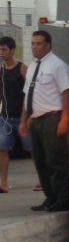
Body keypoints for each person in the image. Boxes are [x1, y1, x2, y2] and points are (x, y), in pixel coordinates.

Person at [19, 30, 69, 212]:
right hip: (36, 119)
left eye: (38, 44)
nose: (35, 47)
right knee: (40, 161)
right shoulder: (33, 66)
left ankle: (63, 199)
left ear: (48, 45)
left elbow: (66, 92)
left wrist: (64, 119)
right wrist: (24, 120)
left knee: (56, 160)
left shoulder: (57, 65)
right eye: (33, 44)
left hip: (52, 117)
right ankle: (50, 198)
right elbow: (27, 95)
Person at [0, 36, 30, 193]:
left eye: (4, 49)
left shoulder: (22, 68)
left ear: (12, 50)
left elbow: (30, 91)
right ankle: (3, 182)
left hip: (22, 116)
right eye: (0, 49)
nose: (1, 53)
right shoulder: (1, 70)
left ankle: (42, 180)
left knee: (32, 148)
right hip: (5, 116)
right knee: (2, 148)